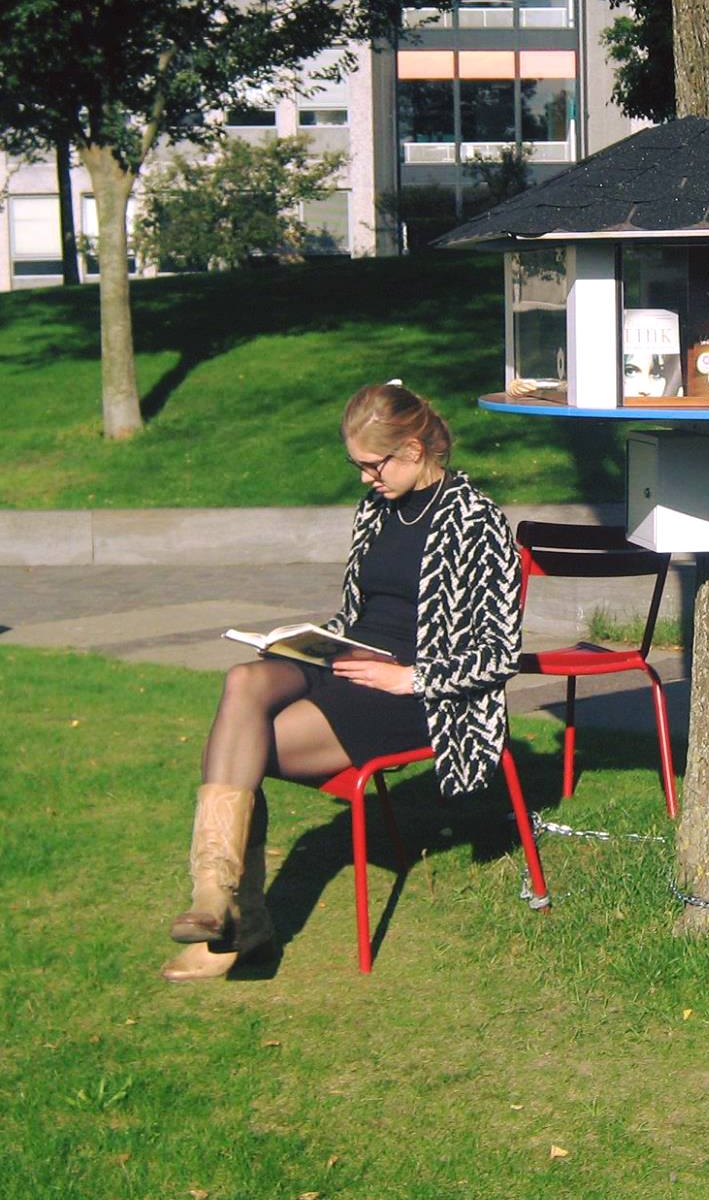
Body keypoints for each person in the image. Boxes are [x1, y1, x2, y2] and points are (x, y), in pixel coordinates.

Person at [161, 382, 524, 982]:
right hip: (350, 663)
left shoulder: (476, 521)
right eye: (356, 466)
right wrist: (302, 638)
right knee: (244, 682)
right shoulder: (378, 509)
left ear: (412, 449)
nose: (364, 480)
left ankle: (238, 922)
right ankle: (214, 896)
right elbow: (359, 613)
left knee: (243, 751)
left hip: (415, 696)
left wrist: (411, 677)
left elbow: (500, 652)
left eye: (371, 466)